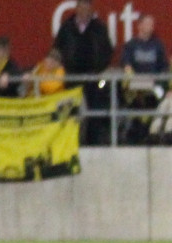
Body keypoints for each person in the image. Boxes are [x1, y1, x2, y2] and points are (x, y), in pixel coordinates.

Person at [54, 0, 114, 145]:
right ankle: (72, 141)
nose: (84, 12)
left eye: (87, 9)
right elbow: (57, 49)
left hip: (93, 78)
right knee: (72, 111)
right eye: (82, 8)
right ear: (77, 9)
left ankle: (92, 142)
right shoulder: (67, 27)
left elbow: (107, 51)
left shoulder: (99, 28)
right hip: (72, 78)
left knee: (94, 111)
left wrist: (99, 68)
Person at [120, 14, 169, 144]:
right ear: (139, 25)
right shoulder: (131, 45)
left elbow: (164, 67)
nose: (151, 27)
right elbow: (126, 66)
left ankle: (154, 132)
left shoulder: (158, 45)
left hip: (155, 86)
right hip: (136, 87)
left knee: (161, 97)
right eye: (148, 24)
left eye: (152, 24)